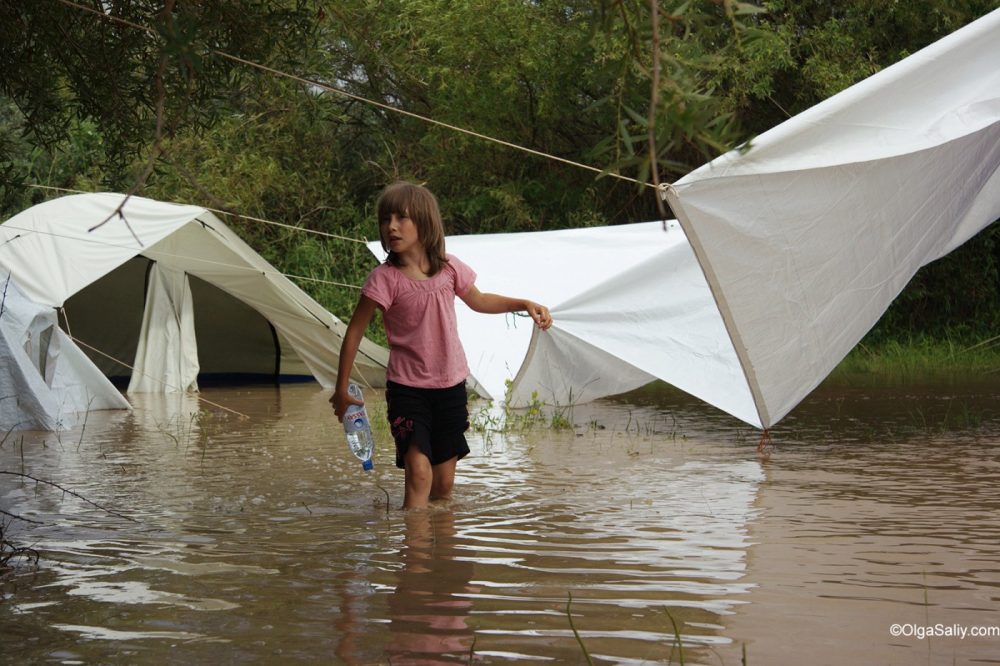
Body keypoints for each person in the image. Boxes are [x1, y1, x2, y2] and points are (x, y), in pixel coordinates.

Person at [330, 181, 552, 510]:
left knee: (444, 484)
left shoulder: (449, 267)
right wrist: (341, 388)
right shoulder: (384, 279)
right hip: (407, 389)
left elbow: (479, 300)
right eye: (385, 219)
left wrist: (523, 303)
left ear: (425, 222)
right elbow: (354, 332)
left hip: (450, 386)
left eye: (401, 218)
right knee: (419, 473)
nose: (391, 226)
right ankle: (415, 558)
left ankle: (441, 554)